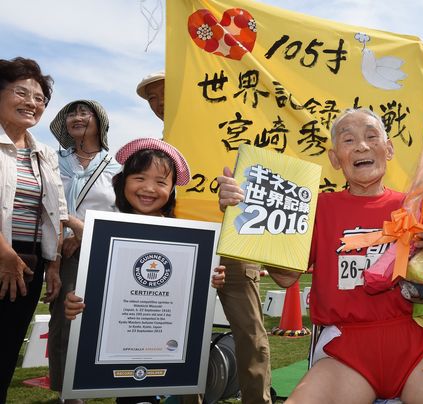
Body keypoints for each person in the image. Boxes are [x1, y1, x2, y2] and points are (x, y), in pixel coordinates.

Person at [218, 108, 423, 403]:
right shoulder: (317, 209)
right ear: (334, 158)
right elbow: (286, 276)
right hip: (344, 350)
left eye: (371, 136)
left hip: (413, 346)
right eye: (348, 140)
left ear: (388, 148)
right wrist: (245, 216)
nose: (361, 146)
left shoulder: (417, 206)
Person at [136, 71, 273, 404]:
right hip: (184, 248)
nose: (159, 102)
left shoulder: (226, 125)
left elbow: (257, 178)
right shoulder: (158, 146)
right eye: (151, 98)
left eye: (164, 92)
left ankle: (258, 399)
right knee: (184, 335)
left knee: (250, 333)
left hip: (233, 243)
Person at [65, 138, 226, 404]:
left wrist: (211, 278)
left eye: (161, 182)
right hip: (120, 344)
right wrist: (75, 302)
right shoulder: (105, 230)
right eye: (139, 178)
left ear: (172, 189)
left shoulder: (186, 237)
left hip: (166, 344)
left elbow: (192, 288)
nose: (149, 188)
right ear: (123, 181)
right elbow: (94, 286)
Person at [0, 57, 67, 403]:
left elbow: (55, 212)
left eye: (40, 98)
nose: (32, 102)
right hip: (4, 255)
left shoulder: (44, 153)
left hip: (28, 264)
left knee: (7, 348)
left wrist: (52, 265)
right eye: (21, 92)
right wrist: (4, 253)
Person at [46, 99, 122, 403]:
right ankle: (68, 393)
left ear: (99, 121)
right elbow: (47, 205)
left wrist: (84, 231)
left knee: (101, 319)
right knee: (64, 319)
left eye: (84, 112)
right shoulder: (53, 161)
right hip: (60, 253)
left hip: (102, 249)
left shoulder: (117, 166)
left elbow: (122, 209)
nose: (77, 117)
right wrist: (57, 252)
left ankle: (100, 381)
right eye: (71, 114)